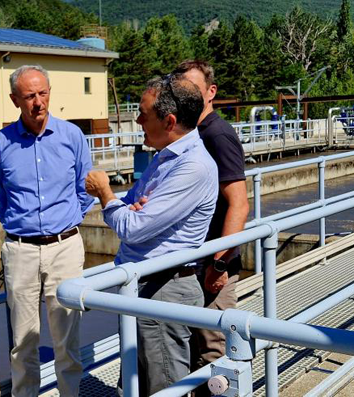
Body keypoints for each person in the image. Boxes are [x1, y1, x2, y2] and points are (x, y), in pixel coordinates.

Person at [85, 75, 217, 394]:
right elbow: (131, 207)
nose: (138, 119)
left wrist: (105, 193)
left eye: (144, 113)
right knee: (138, 379)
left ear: (169, 120)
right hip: (145, 284)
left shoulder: (192, 166)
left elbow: (133, 226)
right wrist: (130, 210)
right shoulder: (165, 157)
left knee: (164, 384)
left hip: (163, 288)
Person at [0, 64, 95, 396]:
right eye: (30, 95)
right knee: (23, 342)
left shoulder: (71, 136)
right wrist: (24, 227)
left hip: (65, 247)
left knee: (67, 340)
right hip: (20, 250)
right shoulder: (1, 143)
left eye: (43, 93)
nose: (38, 102)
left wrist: (65, 220)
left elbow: (85, 188)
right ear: (15, 100)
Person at [174, 60, 249, 394]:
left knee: (213, 349)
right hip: (196, 264)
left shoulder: (217, 134)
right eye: (181, 90)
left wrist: (219, 262)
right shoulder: (192, 133)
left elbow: (239, 202)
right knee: (195, 346)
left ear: (211, 92)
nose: (186, 95)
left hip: (213, 266)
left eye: (193, 88)